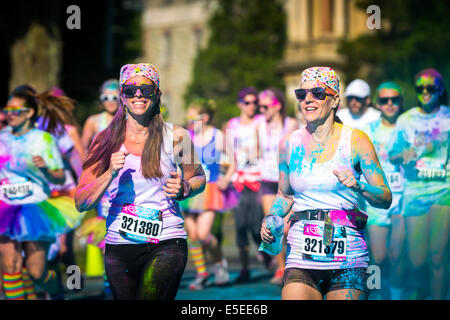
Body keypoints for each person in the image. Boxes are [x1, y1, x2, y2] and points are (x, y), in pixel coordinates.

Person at [74, 63, 206, 300]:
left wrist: (185, 188)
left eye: (146, 90)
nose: (138, 95)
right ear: (122, 97)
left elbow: (199, 177)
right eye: (131, 90)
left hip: (166, 239)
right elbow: (81, 201)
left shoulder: (176, 136)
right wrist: (109, 174)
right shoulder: (103, 141)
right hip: (119, 242)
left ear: (156, 95)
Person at [261, 66, 392, 300]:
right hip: (301, 256)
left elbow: (384, 197)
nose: (308, 100)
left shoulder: (356, 140)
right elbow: (284, 196)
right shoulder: (288, 145)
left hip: (348, 259)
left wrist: (359, 186)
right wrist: (271, 217)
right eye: (302, 95)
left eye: (318, 93)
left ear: (335, 100)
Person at [0, 89, 84, 300]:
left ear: (28, 113)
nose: (8, 114)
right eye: (6, 109)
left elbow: (59, 175)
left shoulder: (43, 139)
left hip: (35, 208)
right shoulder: (1, 138)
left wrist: (46, 169)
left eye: (14, 110)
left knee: (38, 271)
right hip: (6, 208)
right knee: (10, 265)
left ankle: (59, 290)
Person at [388, 68, 449, 300]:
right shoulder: (406, 120)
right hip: (414, 192)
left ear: (440, 90)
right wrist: (403, 153)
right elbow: (392, 154)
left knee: (436, 255)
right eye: (420, 88)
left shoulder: (448, 117)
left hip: (443, 190)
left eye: (430, 88)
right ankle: (419, 292)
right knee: (417, 259)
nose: (425, 92)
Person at [181, 99, 231, 290]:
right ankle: (202, 274)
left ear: (206, 117)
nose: (191, 121)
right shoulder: (187, 136)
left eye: (196, 117)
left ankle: (219, 264)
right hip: (190, 189)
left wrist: (226, 178)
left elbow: (233, 160)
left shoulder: (217, 136)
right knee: (192, 235)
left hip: (210, 189)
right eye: (190, 118)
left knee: (203, 234)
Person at [362, 82, 406, 299]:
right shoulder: (368, 130)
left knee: (397, 255)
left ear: (401, 102)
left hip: (404, 199)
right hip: (377, 201)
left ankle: (396, 296)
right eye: (385, 100)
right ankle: (376, 293)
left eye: (395, 100)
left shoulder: (410, 126)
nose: (390, 104)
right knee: (378, 257)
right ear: (377, 104)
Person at [225, 87, 271, 283]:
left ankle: (267, 255)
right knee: (240, 226)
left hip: (257, 179)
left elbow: (264, 148)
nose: (252, 106)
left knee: (256, 225)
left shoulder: (261, 121)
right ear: (239, 104)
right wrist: (226, 176)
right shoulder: (232, 124)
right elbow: (229, 154)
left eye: (255, 102)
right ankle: (244, 269)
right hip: (238, 180)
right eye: (247, 102)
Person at [257, 88, 298, 285]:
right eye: (260, 106)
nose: (261, 109)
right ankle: (280, 268)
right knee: (273, 226)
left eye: (265, 106)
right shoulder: (259, 125)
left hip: (287, 181)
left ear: (278, 105)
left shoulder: (290, 123)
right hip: (267, 179)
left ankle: (291, 265)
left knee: (288, 228)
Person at [81, 79, 120, 150]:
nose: (110, 102)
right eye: (106, 98)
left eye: (114, 98)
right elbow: (82, 150)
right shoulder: (93, 121)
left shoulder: (127, 120)